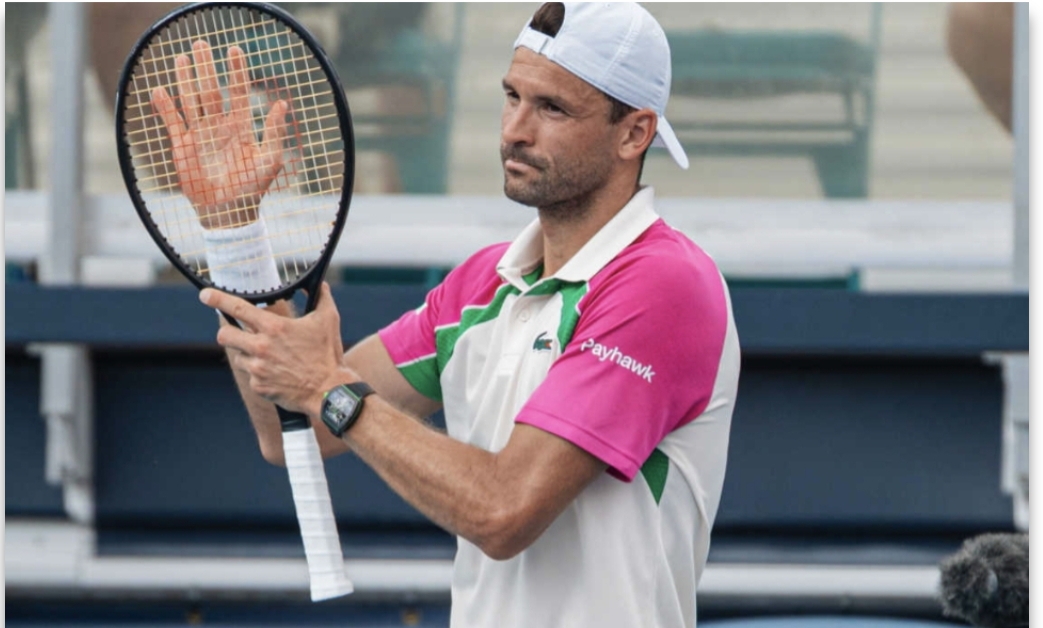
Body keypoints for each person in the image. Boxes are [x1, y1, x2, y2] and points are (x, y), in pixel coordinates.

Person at [156, 3, 740, 626]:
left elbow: (504, 510)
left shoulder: (664, 284)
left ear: (634, 133)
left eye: (552, 108)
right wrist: (236, 236)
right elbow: (296, 429)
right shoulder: (480, 282)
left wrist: (327, 386)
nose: (515, 129)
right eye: (512, 96)